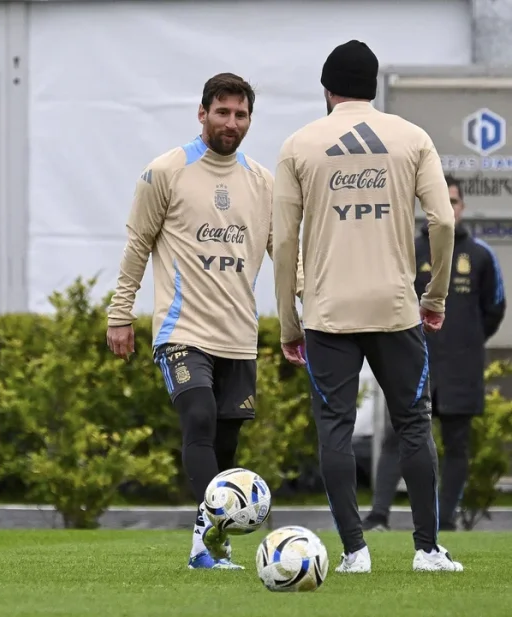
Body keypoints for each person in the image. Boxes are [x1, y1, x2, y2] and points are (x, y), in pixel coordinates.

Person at [271, 39, 463, 573]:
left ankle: (356, 551)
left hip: (328, 312)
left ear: (327, 91)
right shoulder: (412, 137)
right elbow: (443, 222)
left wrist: (290, 321)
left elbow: (284, 243)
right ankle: (427, 549)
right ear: (373, 87)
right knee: (413, 424)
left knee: (334, 426)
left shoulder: (298, 144)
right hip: (397, 307)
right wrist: (436, 295)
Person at [106, 73, 303, 570]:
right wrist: (120, 313)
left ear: (249, 121)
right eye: (222, 112)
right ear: (202, 113)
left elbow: (284, 254)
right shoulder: (166, 171)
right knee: (198, 419)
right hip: (182, 330)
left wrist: (307, 302)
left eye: (240, 115)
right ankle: (215, 537)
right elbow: (137, 244)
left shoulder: (262, 182)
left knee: (227, 444)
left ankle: (205, 548)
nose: (230, 122)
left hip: (238, 334)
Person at [363, 175, 506, 532]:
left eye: (454, 201)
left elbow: (495, 308)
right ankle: (379, 516)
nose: (448, 207)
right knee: (398, 437)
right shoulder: (411, 252)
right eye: (440, 201)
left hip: (462, 368)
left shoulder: (481, 256)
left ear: (462, 207)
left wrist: (467, 341)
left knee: (457, 447)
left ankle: (443, 522)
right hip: (415, 363)